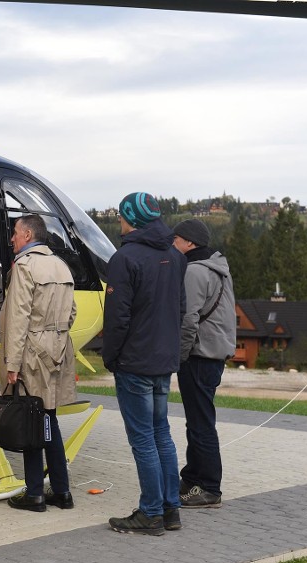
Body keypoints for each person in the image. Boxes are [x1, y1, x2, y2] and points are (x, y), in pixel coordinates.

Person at [102, 192, 187, 536]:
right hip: (163, 359)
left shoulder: (125, 258)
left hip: (134, 360)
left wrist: (111, 356)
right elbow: (180, 308)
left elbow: (117, 316)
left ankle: (150, 512)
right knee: (161, 433)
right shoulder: (175, 255)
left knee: (143, 439)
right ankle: (171, 509)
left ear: (133, 219)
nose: (119, 223)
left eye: (122, 217)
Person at [0, 215, 77, 513]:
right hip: (58, 349)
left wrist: (13, 361)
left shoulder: (24, 266)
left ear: (28, 233)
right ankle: (62, 491)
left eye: (15, 233)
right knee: (48, 419)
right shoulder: (61, 265)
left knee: (30, 419)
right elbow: (72, 313)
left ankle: (34, 493)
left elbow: (18, 318)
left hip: (31, 351)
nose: (12, 239)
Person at [172, 218, 236, 509]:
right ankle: (192, 478)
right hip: (213, 354)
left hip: (199, 355)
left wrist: (179, 356)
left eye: (176, 240)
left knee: (201, 424)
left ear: (188, 242)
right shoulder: (218, 268)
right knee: (198, 420)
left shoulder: (194, 271)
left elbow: (188, 319)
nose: (173, 244)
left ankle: (209, 488)